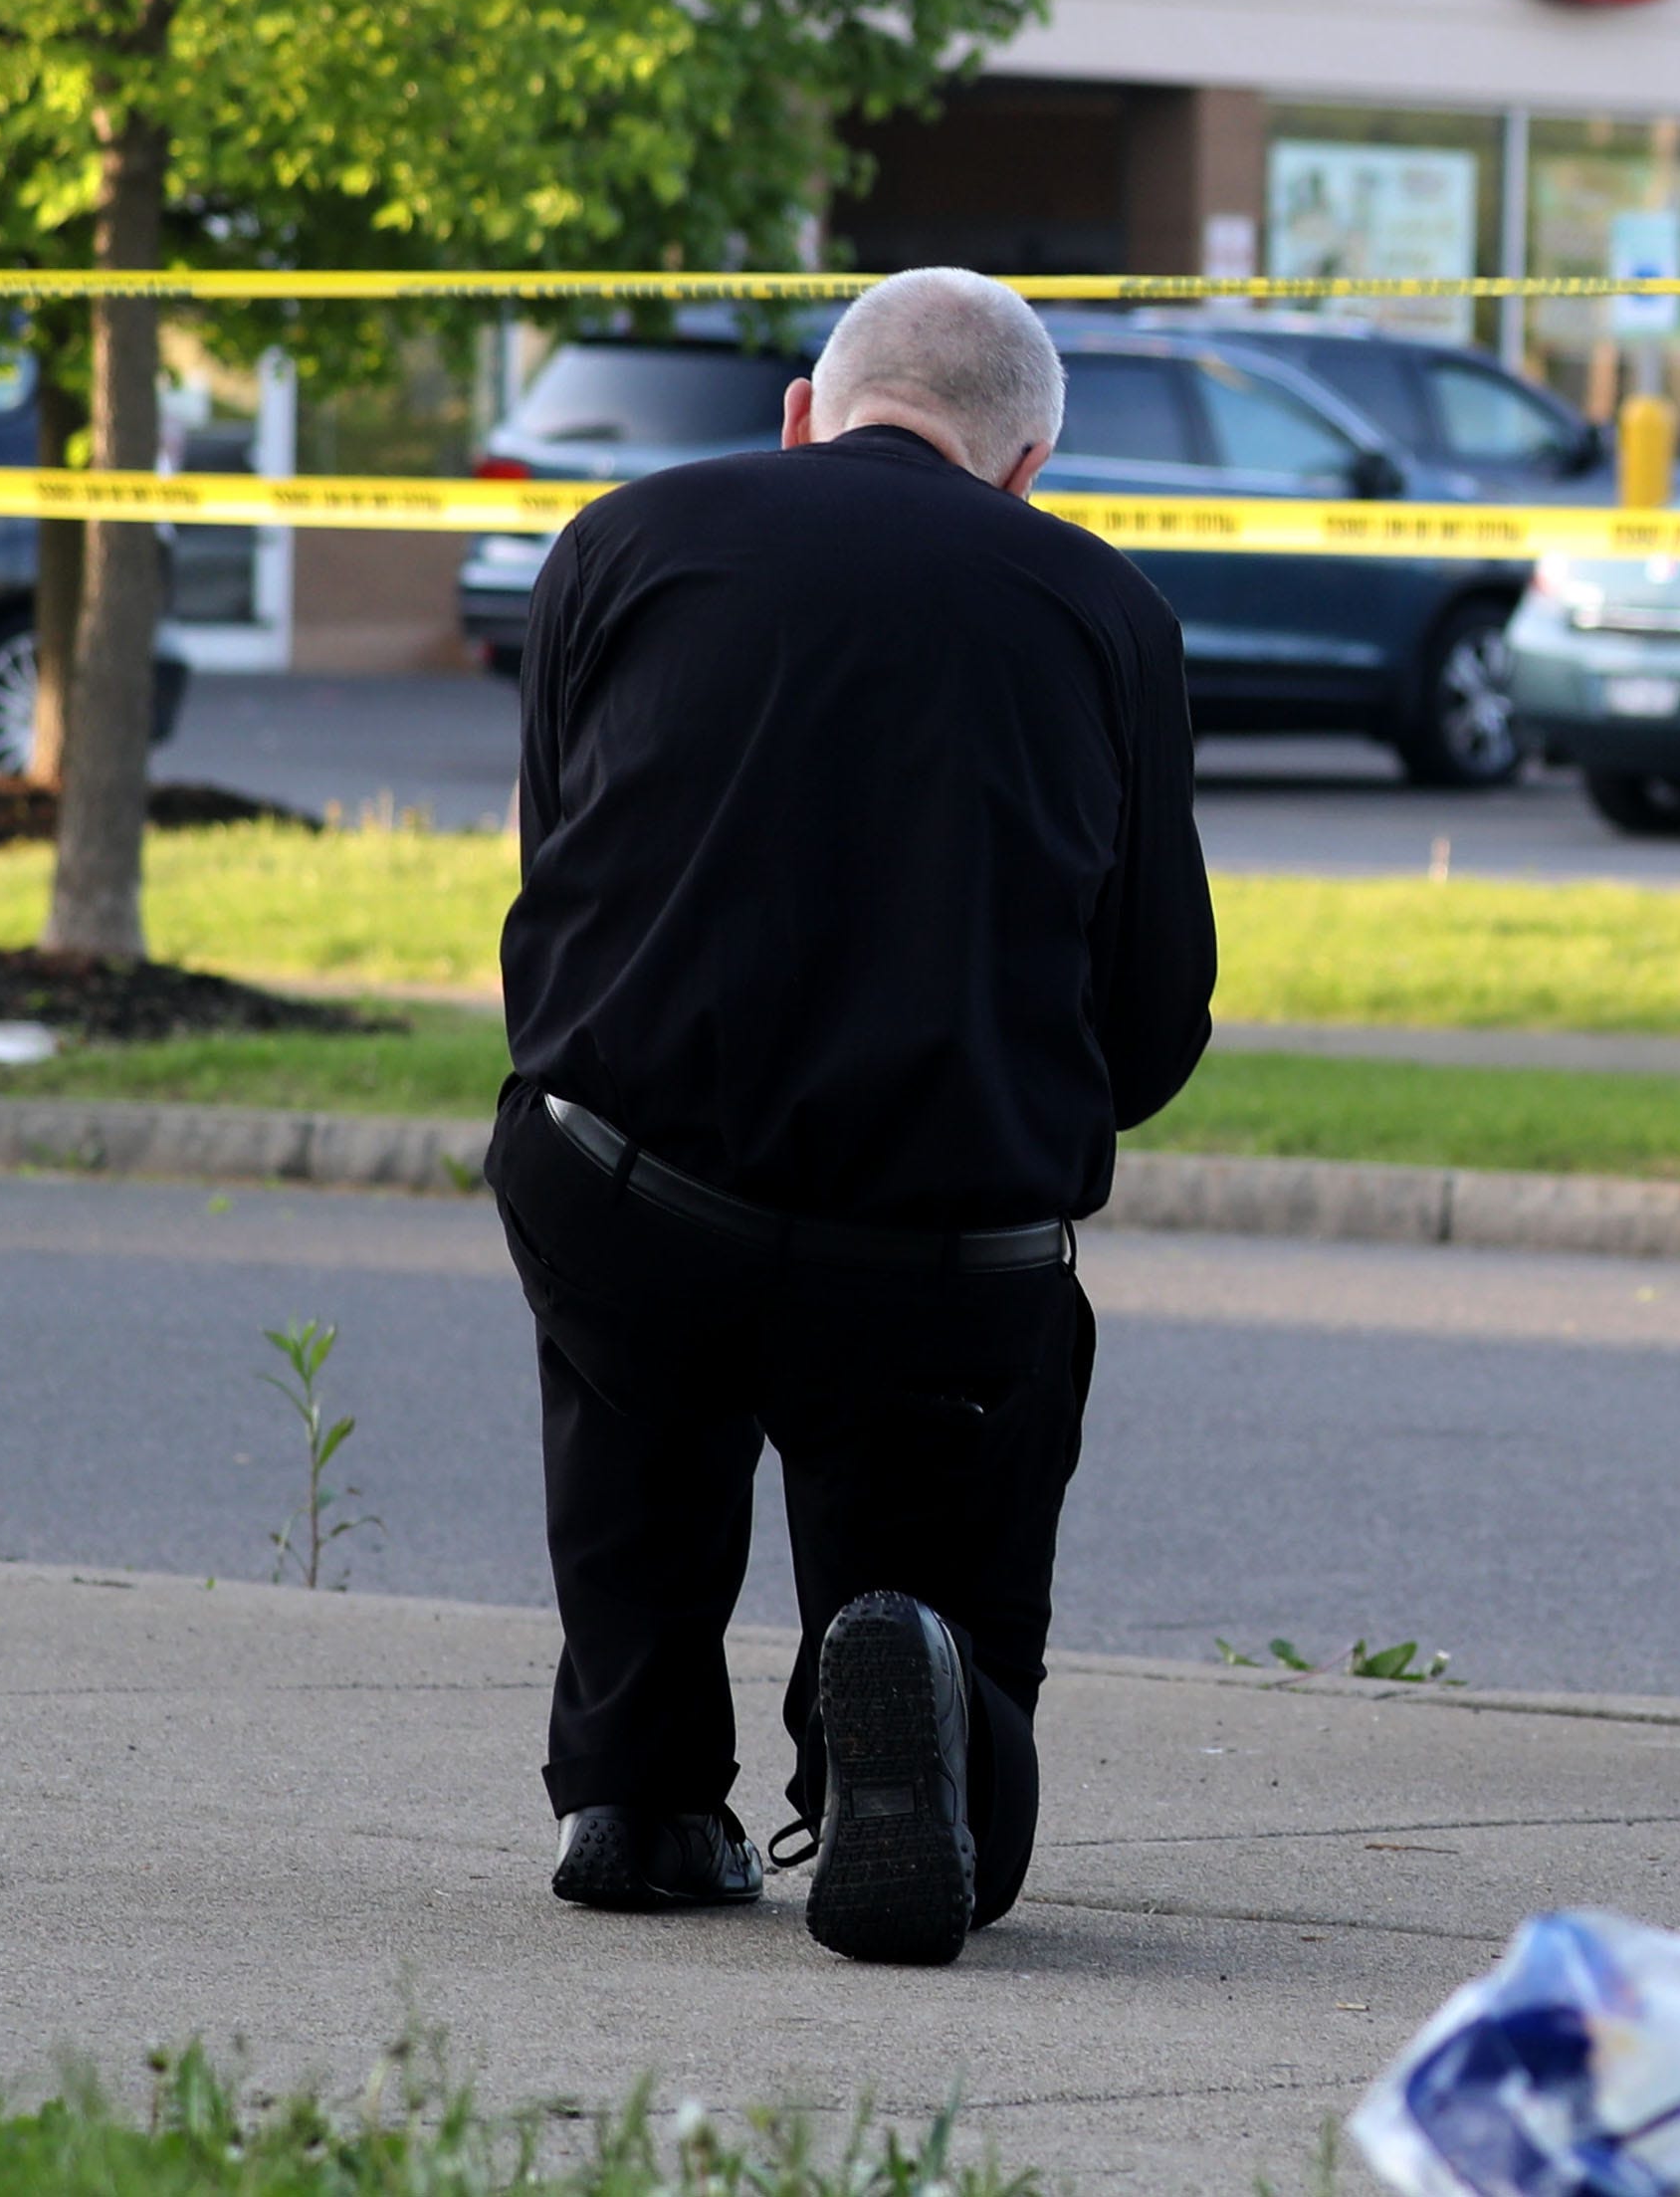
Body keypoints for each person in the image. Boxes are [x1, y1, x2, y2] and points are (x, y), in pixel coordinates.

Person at [488, 267, 1215, 1965]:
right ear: (1024, 465)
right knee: (944, 1429)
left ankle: (640, 1795)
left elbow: (556, 871)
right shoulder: (1106, 613)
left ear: (804, 411)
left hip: (628, 1186)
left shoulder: (620, 542)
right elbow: (1153, 1000)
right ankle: (914, 1685)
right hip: (938, 1240)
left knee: (630, 1365)